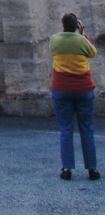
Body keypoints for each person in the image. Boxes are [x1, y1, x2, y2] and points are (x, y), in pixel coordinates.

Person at [50, 12, 100, 181]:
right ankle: (92, 169)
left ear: (63, 25)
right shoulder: (81, 40)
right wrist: (83, 33)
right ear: (76, 25)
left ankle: (66, 168)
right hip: (83, 89)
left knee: (65, 130)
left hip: (61, 89)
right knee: (87, 130)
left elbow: (51, 50)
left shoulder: (55, 40)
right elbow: (92, 52)